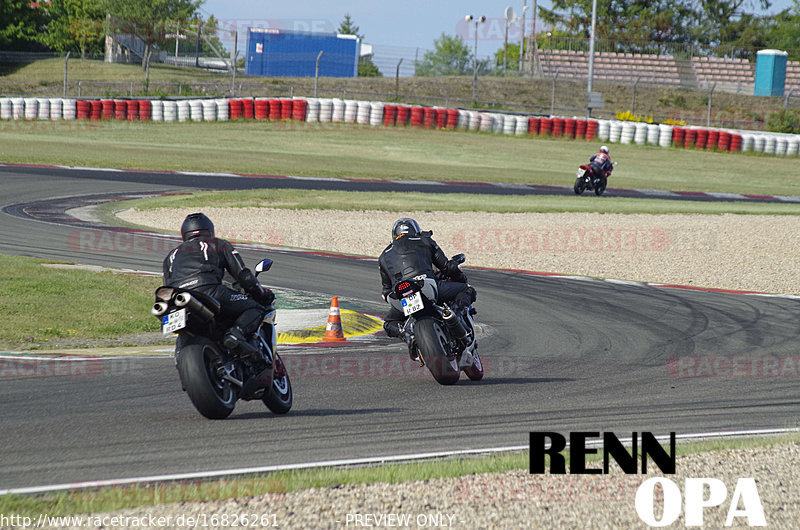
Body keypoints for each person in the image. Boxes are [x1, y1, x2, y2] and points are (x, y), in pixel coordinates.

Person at [163, 213, 274, 356]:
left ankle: (180, 354)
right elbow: (243, 275)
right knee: (255, 308)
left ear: (184, 234)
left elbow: (167, 285)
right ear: (210, 230)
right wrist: (260, 293)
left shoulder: (170, 256)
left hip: (178, 299)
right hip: (209, 291)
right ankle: (235, 336)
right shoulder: (218, 244)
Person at [378, 218, 476, 355]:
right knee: (467, 289)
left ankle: (407, 335)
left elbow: (386, 291)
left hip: (402, 295)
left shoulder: (383, 255)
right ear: (416, 231)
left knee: (388, 324)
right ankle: (456, 315)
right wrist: (461, 279)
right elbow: (448, 267)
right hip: (426, 286)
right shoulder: (425, 241)